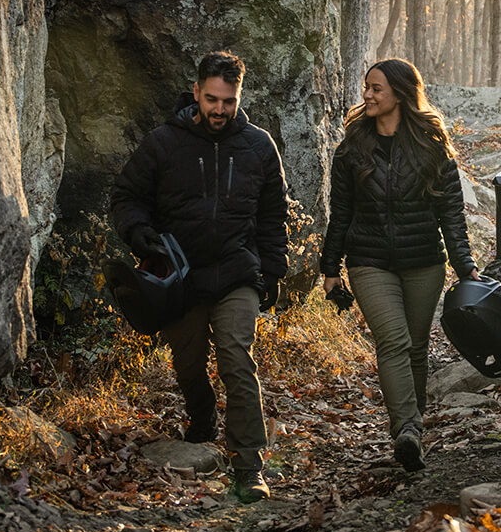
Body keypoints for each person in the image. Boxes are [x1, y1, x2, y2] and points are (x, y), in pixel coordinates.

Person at [111, 51, 288, 503]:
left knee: (236, 358)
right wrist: (140, 233)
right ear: (196, 92)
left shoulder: (258, 146)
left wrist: (272, 273)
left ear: (239, 97)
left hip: (236, 273)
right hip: (181, 277)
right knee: (188, 364)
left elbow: (273, 217)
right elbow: (126, 196)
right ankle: (203, 416)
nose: (219, 110)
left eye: (228, 101)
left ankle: (249, 466)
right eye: (212, 99)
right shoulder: (162, 143)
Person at [319, 58, 479, 472]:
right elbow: (340, 212)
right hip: (369, 261)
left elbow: (451, 214)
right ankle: (406, 428)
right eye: (366, 88)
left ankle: (415, 433)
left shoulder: (431, 144)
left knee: (416, 349)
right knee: (393, 341)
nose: (367, 95)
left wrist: (466, 268)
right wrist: (330, 268)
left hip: (423, 261)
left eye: (376, 89)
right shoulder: (352, 148)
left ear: (401, 95)